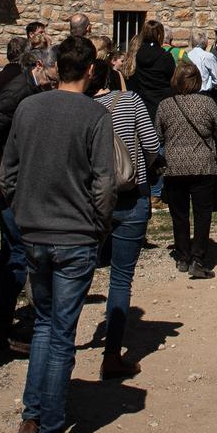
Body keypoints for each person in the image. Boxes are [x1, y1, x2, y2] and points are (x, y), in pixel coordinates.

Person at [2, 36, 118, 433]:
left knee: (43, 327)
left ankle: (32, 419)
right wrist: (99, 225)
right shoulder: (95, 115)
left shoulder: (29, 108)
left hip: (34, 233)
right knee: (61, 335)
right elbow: (104, 182)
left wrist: (21, 208)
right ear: (90, 71)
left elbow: (8, 171)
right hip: (74, 236)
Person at [94, 47, 160, 379]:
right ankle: (111, 355)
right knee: (121, 278)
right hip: (131, 196)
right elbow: (151, 144)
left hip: (94, 199)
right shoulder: (130, 101)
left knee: (79, 276)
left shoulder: (84, 108)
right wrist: (139, 172)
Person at [155, 62, 217, 278]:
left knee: (179, 214)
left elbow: (158, 136)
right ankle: (198, 257)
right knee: (202, 213)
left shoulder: (165, 105)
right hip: (203, 165)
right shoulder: (208, 103)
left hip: (175, 166)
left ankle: (184, 255)